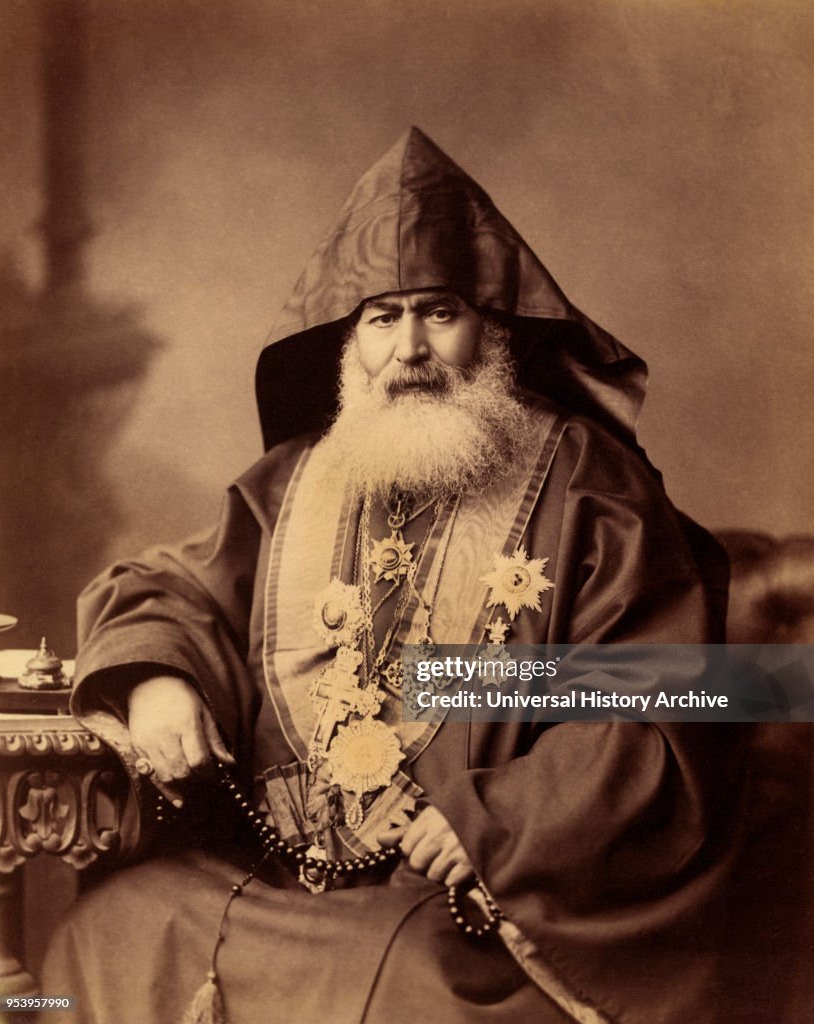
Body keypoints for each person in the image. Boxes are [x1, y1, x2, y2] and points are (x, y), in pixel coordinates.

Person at [42, 128, 745, 1024]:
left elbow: (678, 695)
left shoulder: (588, 482)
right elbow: (170, 588)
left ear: (489, 330)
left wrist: (491, 821)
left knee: (406, 980)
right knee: (107, 930)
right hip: (285, 871)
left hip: (476, 887)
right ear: (351, 344)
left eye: (437, 312)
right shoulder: (294, 478)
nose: (409, 346)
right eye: (382, 317)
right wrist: (158, 679)